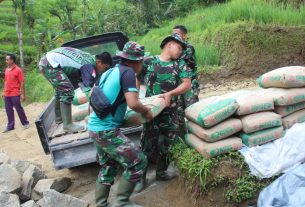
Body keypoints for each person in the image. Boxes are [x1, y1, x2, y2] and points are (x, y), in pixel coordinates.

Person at [87, 41, 153, 207]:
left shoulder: (110, 71)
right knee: (138, 162)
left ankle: (101, 204)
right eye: (142, 61)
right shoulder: (128, 73)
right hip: (106, 131)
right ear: (137, 61)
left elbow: (93, 99)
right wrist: (146, 111)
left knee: (107, 166)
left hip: (94, 128)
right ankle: (122, 202)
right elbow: (133, 103)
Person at [136, 34, 192, 191]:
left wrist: (170, 94)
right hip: (150, 112)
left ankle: (161, 172)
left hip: (171, 111)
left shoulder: (180, 64)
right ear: (169, 45)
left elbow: (187, 84)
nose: (180, 52)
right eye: (179, 48)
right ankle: (141, 177)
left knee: (167, 143)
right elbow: (137, 78)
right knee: (146, 144)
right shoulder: (149, 62)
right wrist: (137, 97)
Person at [39, 47, 107, 133]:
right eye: (105, 67)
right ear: (99, 62)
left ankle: (59, 118)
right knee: (67, 91)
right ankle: (67, 125)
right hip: (50, 64)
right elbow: (88, 88)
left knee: (60, 90)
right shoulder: (89, 64)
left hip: (47, 61)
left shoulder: (89, 57)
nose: (104, 70)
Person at [173, 25, 200, 136]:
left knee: (192, 111)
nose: (174, 37)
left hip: (190, 86)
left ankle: (197, 135)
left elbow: (177, 59)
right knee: (178, 113)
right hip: (178, 86)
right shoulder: (175, 48)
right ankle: (183, 138)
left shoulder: (188, 48)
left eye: (177, 34)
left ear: (184, 36)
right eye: (172, 34)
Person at [2, 54, 30, 133]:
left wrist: (23, 94)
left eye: (7, 60)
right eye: (6, 59)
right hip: (7, 94)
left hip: (15, 93)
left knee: (19, 108)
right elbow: (6, 81)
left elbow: (22, 82)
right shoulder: (7, 69)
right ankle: (10, 126)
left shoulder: (18, 70)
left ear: (12, 60)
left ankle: (25, 123)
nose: (6, 61)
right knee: (8, 110)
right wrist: (3, 92)